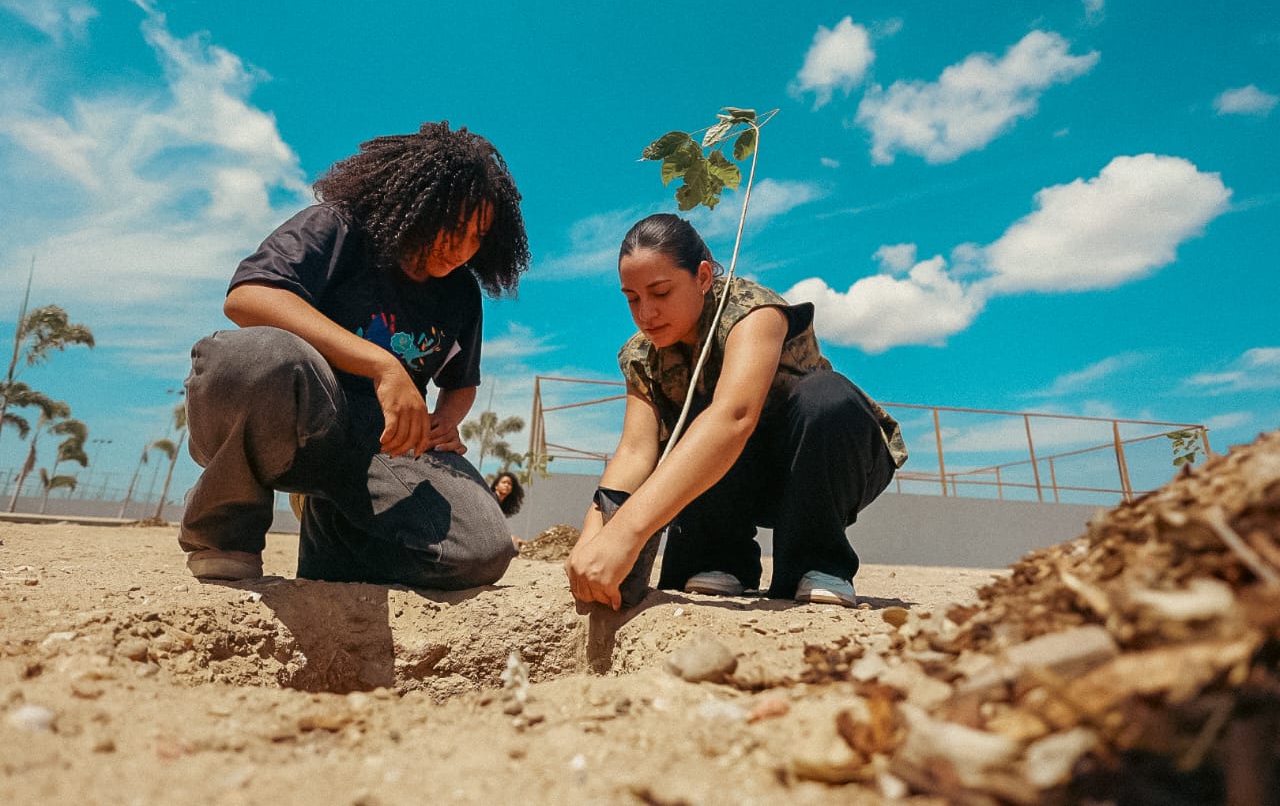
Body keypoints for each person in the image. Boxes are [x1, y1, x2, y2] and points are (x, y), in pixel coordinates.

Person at [178, 121, 529, 589]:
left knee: (482, 551)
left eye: (477, 236)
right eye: (453, 227)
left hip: (384, 442)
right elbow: (249, 296)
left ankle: (333, 531)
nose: (462, 248)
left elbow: (461, 379)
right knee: (257, 356)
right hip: (301, 413)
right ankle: (226, 534)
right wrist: (381, 365)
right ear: (417, 204)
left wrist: (447, 419)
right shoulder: (339, 227)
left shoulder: (462, 293)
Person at [566, 213, 907, 610]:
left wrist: (627, 533)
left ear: (703, 276)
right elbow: (635, 451)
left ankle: (816, 563)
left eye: (660, 292)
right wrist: (593, 535)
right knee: (691, 412)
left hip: (819, 466)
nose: (646, 313)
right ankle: (717, 559)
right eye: (632, 298)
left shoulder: (752, 313)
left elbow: (734, 418)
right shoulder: (642, 355)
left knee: (825, 396)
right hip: (732, 481)